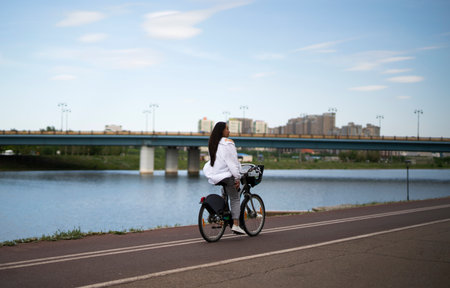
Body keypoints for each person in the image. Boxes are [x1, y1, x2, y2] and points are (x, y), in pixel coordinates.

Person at [203, 122, 245, 235]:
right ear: (222, 131)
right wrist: (238, 178)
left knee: (226, 193)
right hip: (226, 176)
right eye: (227, 129)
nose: (229, 131)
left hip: (215, 175)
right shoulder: (228, 143)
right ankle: (236, 224)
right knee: (235, 198)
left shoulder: (213, 143)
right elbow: (232, 163)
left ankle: (222, 216)